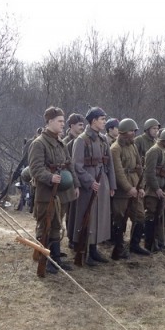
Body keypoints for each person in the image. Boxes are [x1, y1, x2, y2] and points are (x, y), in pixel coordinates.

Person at [28, 107, 77, 274]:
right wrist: (50, 177)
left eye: (63, 121)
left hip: (61, 192)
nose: (63, 124)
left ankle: (56, 258)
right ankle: (46, 260)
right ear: (49, 122)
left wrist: (75, 185)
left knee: (57, 225)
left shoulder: (60, 142)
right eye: (60, 121)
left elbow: (69, 164)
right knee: (45, 225)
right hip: (46, 193)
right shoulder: (39, 143)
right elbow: (35, 169)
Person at [71, 107, 116, 266]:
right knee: (87, 218)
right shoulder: (81, 140)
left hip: (102, 182)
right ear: (93, 120)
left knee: (100, 218)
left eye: (104, 119)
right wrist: (89, 182)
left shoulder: (103, 140)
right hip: (88, 185)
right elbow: (76, 165)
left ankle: (94, 250)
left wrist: (112, 184)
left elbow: (109, 163)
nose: (104, 121)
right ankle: (84, 251)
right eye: (102, 119)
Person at [110, 118, 149, 259]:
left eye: (134, 131)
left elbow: (139, 166)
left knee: (140, 216)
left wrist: (142, 186)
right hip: (122, 191)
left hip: (135, 185)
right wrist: (128, 188)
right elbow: (118, 172)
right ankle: (119, 247)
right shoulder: (115, 148)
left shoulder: (132, 145)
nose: (134, 133)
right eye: (131, 131)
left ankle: (135, 244)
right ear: (123, 132)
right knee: (120, 219)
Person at [143, 128, 165, 251]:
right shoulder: (154, 151)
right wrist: (157, 189)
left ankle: (157, 241)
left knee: (159, 216)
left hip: (162, 187)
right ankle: (149, 243)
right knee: (151, 215)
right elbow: (149, 173)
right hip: (153, 189)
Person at [62, 113, 85, 249]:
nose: (82, 127)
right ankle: (71, 238)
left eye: (83, 125)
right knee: (70, 212)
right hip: (68, 181)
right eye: (80, 125)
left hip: (79, 180)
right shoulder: (65, 142)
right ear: (71, 126)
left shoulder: (82, 140)